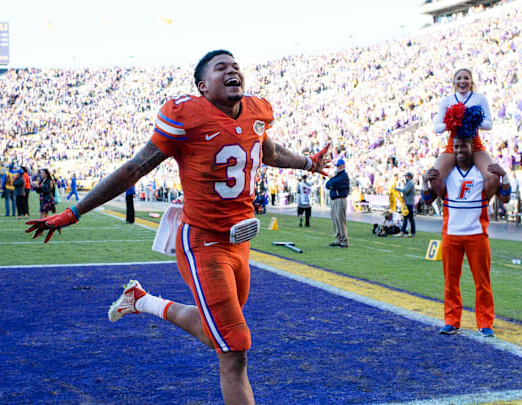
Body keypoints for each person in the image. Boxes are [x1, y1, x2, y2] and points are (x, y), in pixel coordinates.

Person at [25, 49, 330, 404]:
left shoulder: (257, 112)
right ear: (202, 86)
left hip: (241, 243)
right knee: (234, 349)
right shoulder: (186, 116)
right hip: (203, 244)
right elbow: (134, 169)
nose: (232, 71)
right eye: (221, 68)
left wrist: (309, 162)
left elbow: (271, 154)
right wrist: (74, 212)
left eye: (235, 66)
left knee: (213, 329)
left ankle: (141, 301)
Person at [421, 135, 510, 338]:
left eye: (464, 146)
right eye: (457, 146)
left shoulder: (483, 174)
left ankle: (485, 322)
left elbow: (504, 197)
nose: (460, 150)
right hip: (452, 234)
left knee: (482, 281)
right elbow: (427, 201)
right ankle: (452, 321)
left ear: (473, 148)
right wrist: (424, 182)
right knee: (450, 282)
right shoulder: (447, 174)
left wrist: (505, 177)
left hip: (476, 234)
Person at [432, 68, 497, 192]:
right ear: (454, 82)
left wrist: (470, 120)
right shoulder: (447, 100)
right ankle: (449, 205)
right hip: (453, 145)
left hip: (475, 145)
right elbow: (437, 128)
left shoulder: (479, 99)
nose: (463, 81)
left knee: (493, 177)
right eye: (459, 78)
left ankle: (482, 205)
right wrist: (452, 122)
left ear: (471, 82)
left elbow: (489, 125)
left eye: (466, 78)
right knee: (435, 178)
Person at [325, 158, 350, 248]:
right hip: (334, 199)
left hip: (340, 199)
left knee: (340, 220)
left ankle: (344, 240)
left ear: (343, 166)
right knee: (335, 219)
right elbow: (327, 185)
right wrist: (331, 183)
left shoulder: (343, 176)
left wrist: (332, 183)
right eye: (337, 165)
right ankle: (338, 239)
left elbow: (334, 184)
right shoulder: (337, 175)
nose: (337, 167)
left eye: (339, 165)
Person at [395, 172, 416, 237]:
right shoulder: (408, 183)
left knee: (406, 218)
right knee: (409, 218)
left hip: (408, 203)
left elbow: (405, 191)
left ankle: (403, 232)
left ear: (409, 177)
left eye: (406, 176)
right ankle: (412, 233)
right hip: (408, 202)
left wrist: (397, 189)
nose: (405, 177)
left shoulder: (410, 183)